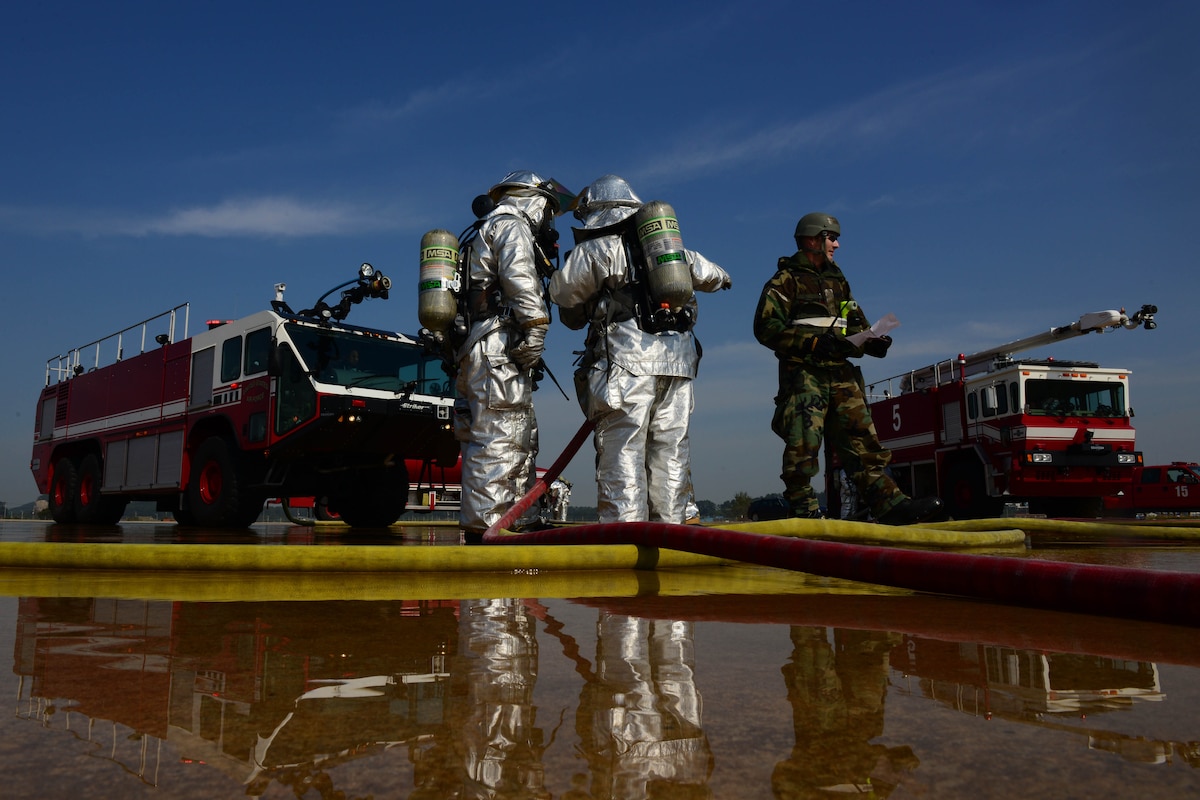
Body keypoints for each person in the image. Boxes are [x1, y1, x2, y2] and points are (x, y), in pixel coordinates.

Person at [549, 175, 730, 524]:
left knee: (623, 452)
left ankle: (625, 537)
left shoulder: (600, 249)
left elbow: (563, 293)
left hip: (627, 364)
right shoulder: (674, 252)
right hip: (678, 364)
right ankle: (671, 535)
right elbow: (718, 276)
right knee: (671, 454)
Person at [753, 211, 943, 524]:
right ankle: (803, 510)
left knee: (862, 440)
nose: (837, 245)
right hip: (804, 374)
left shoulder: (838, 281)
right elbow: (765, 328)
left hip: (841, 372)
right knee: (804, 443)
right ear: (812, 239)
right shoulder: (785, 281)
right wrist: (812, 343)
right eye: (831, 238)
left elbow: (855, 323)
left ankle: (889, 504)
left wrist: (872, 341)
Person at [455, 170, 559, 537]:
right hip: (497, 345)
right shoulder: (511, 225)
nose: (549, 221)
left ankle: (516, 519)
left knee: (512, 434)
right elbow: (519, 277)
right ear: (534, 201)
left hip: (480, 348)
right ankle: (489, 526)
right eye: (549, 210)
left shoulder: (485, 229)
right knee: (501, 435)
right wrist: (536, 325)